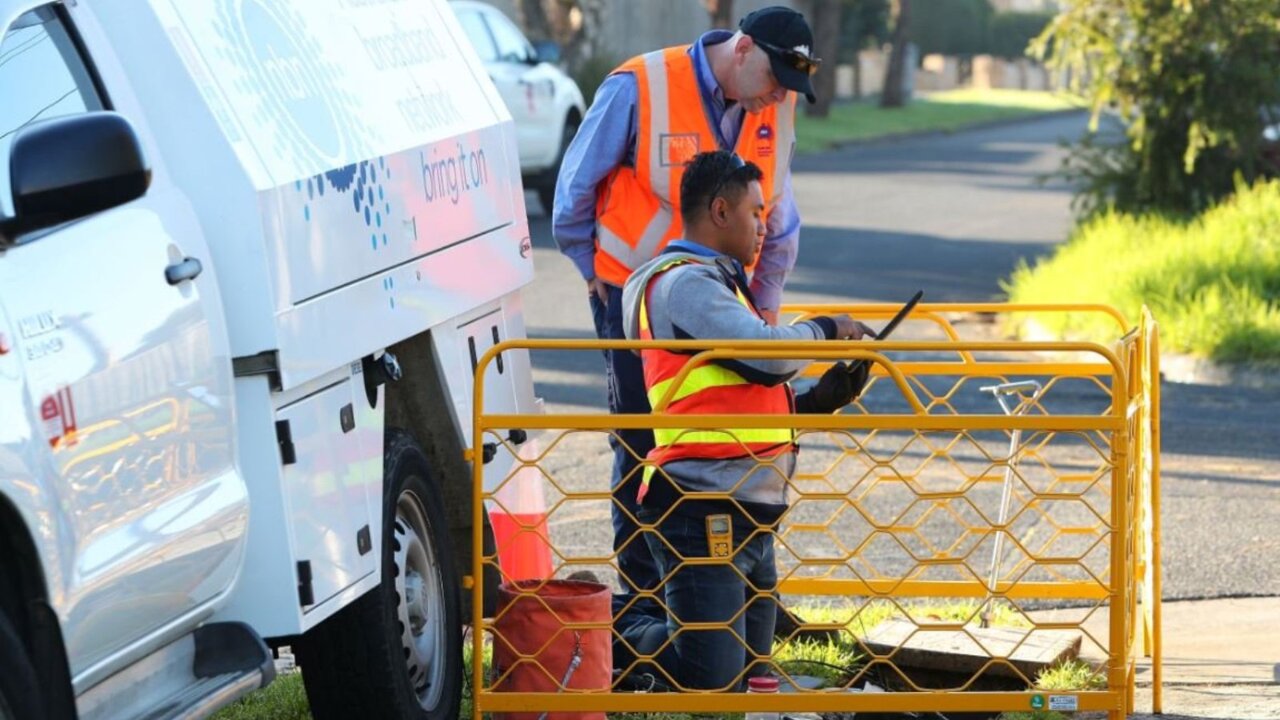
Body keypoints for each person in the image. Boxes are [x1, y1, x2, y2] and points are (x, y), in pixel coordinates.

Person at [551, 5, 823, 658]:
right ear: (743, 48)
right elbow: (575, 188)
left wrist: (761, 315)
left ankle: (739, 588)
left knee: (738, 434)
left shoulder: (773, 104)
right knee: (644, 441)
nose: (781, 93)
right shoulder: (641, 84)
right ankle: (647, 599)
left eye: (792, 82)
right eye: (777, 74)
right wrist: (592, 271)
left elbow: (780, 220)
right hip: (633, 295)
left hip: (727, 303)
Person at [618, 150, 874, 690]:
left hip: (748, 513)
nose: (765, 226)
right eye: (756, 212)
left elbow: (736, 399)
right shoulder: (683, 284)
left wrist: (814, 401)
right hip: (701, 506)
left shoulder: (719, 283)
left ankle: (643, 632)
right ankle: (598, 629)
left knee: (751, 675)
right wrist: (826, 329)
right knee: (710, 676)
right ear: (718, 211)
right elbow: (766, 356)